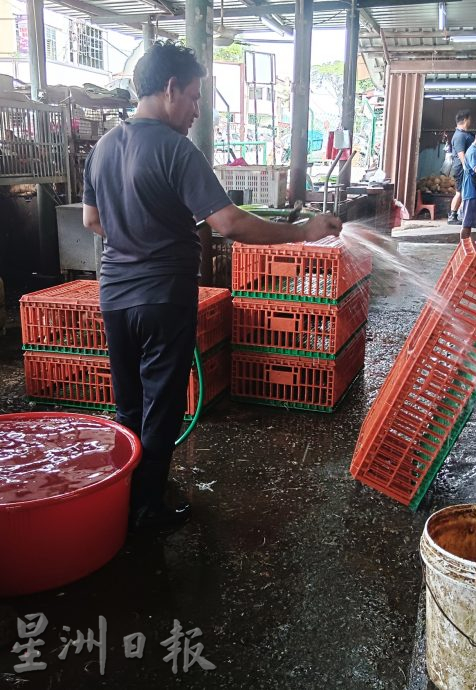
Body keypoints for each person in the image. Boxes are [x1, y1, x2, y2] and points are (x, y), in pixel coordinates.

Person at [82, 42, 341, 533]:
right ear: (170, 88)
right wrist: (304, 232)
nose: (197, 110)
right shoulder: (177, 150)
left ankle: (125, 494)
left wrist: (134, 236)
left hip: (113, 295)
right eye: (195, 97)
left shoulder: (103, 148)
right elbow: (230, 224)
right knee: (162, 406)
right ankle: (146, 509)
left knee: (128, 404)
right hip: (163, 297)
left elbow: (93, 220)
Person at [447, 110, 474, 225]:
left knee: (463, 191)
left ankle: (460, 214)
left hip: (464, 167)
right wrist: (466, 167)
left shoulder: (465, 134)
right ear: (464, 120)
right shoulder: (459, 136)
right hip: (461, 168)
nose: (470, 121)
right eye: (469, 119)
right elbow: (460, 153)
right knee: (460, 192)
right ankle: (452, 216)